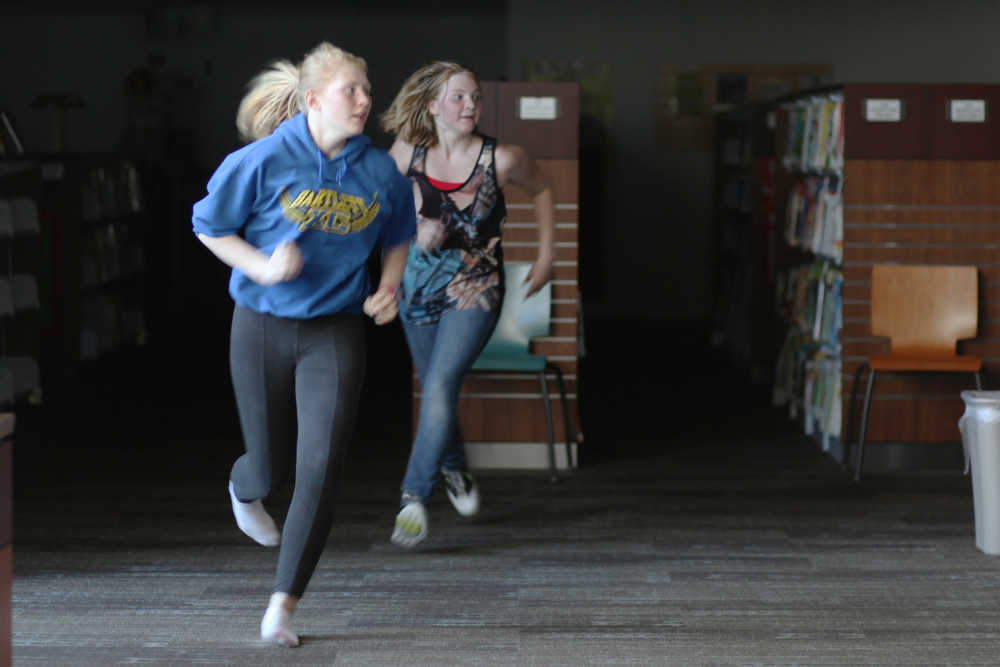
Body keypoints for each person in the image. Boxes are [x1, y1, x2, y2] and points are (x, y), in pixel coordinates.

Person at [191, 42, 415, 647]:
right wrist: (262, 267)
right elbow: (209, 226)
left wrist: (389, 284)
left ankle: (282, 605)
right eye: (352, 90)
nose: (366, 100)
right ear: (314, 100)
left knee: (319, 468)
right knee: (269, 466)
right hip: (261, 324)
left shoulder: (379, 171)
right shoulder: (261, 160)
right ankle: (246, 488)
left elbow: (399, 232)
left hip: (336, 330)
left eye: (368, 89)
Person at [379, 61, 554, 547]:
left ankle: (413, 498)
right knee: (436, 388)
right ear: (433, 105)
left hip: (475, 288)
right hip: (416, 289)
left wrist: (546, 254)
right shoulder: (404, 154)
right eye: (459, 97)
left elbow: (541, 190)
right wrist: (410, 236)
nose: (471, 105)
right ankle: (455, 467)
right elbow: (383, 215)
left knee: (438, 385)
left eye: (475, 97)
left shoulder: (503, 159)